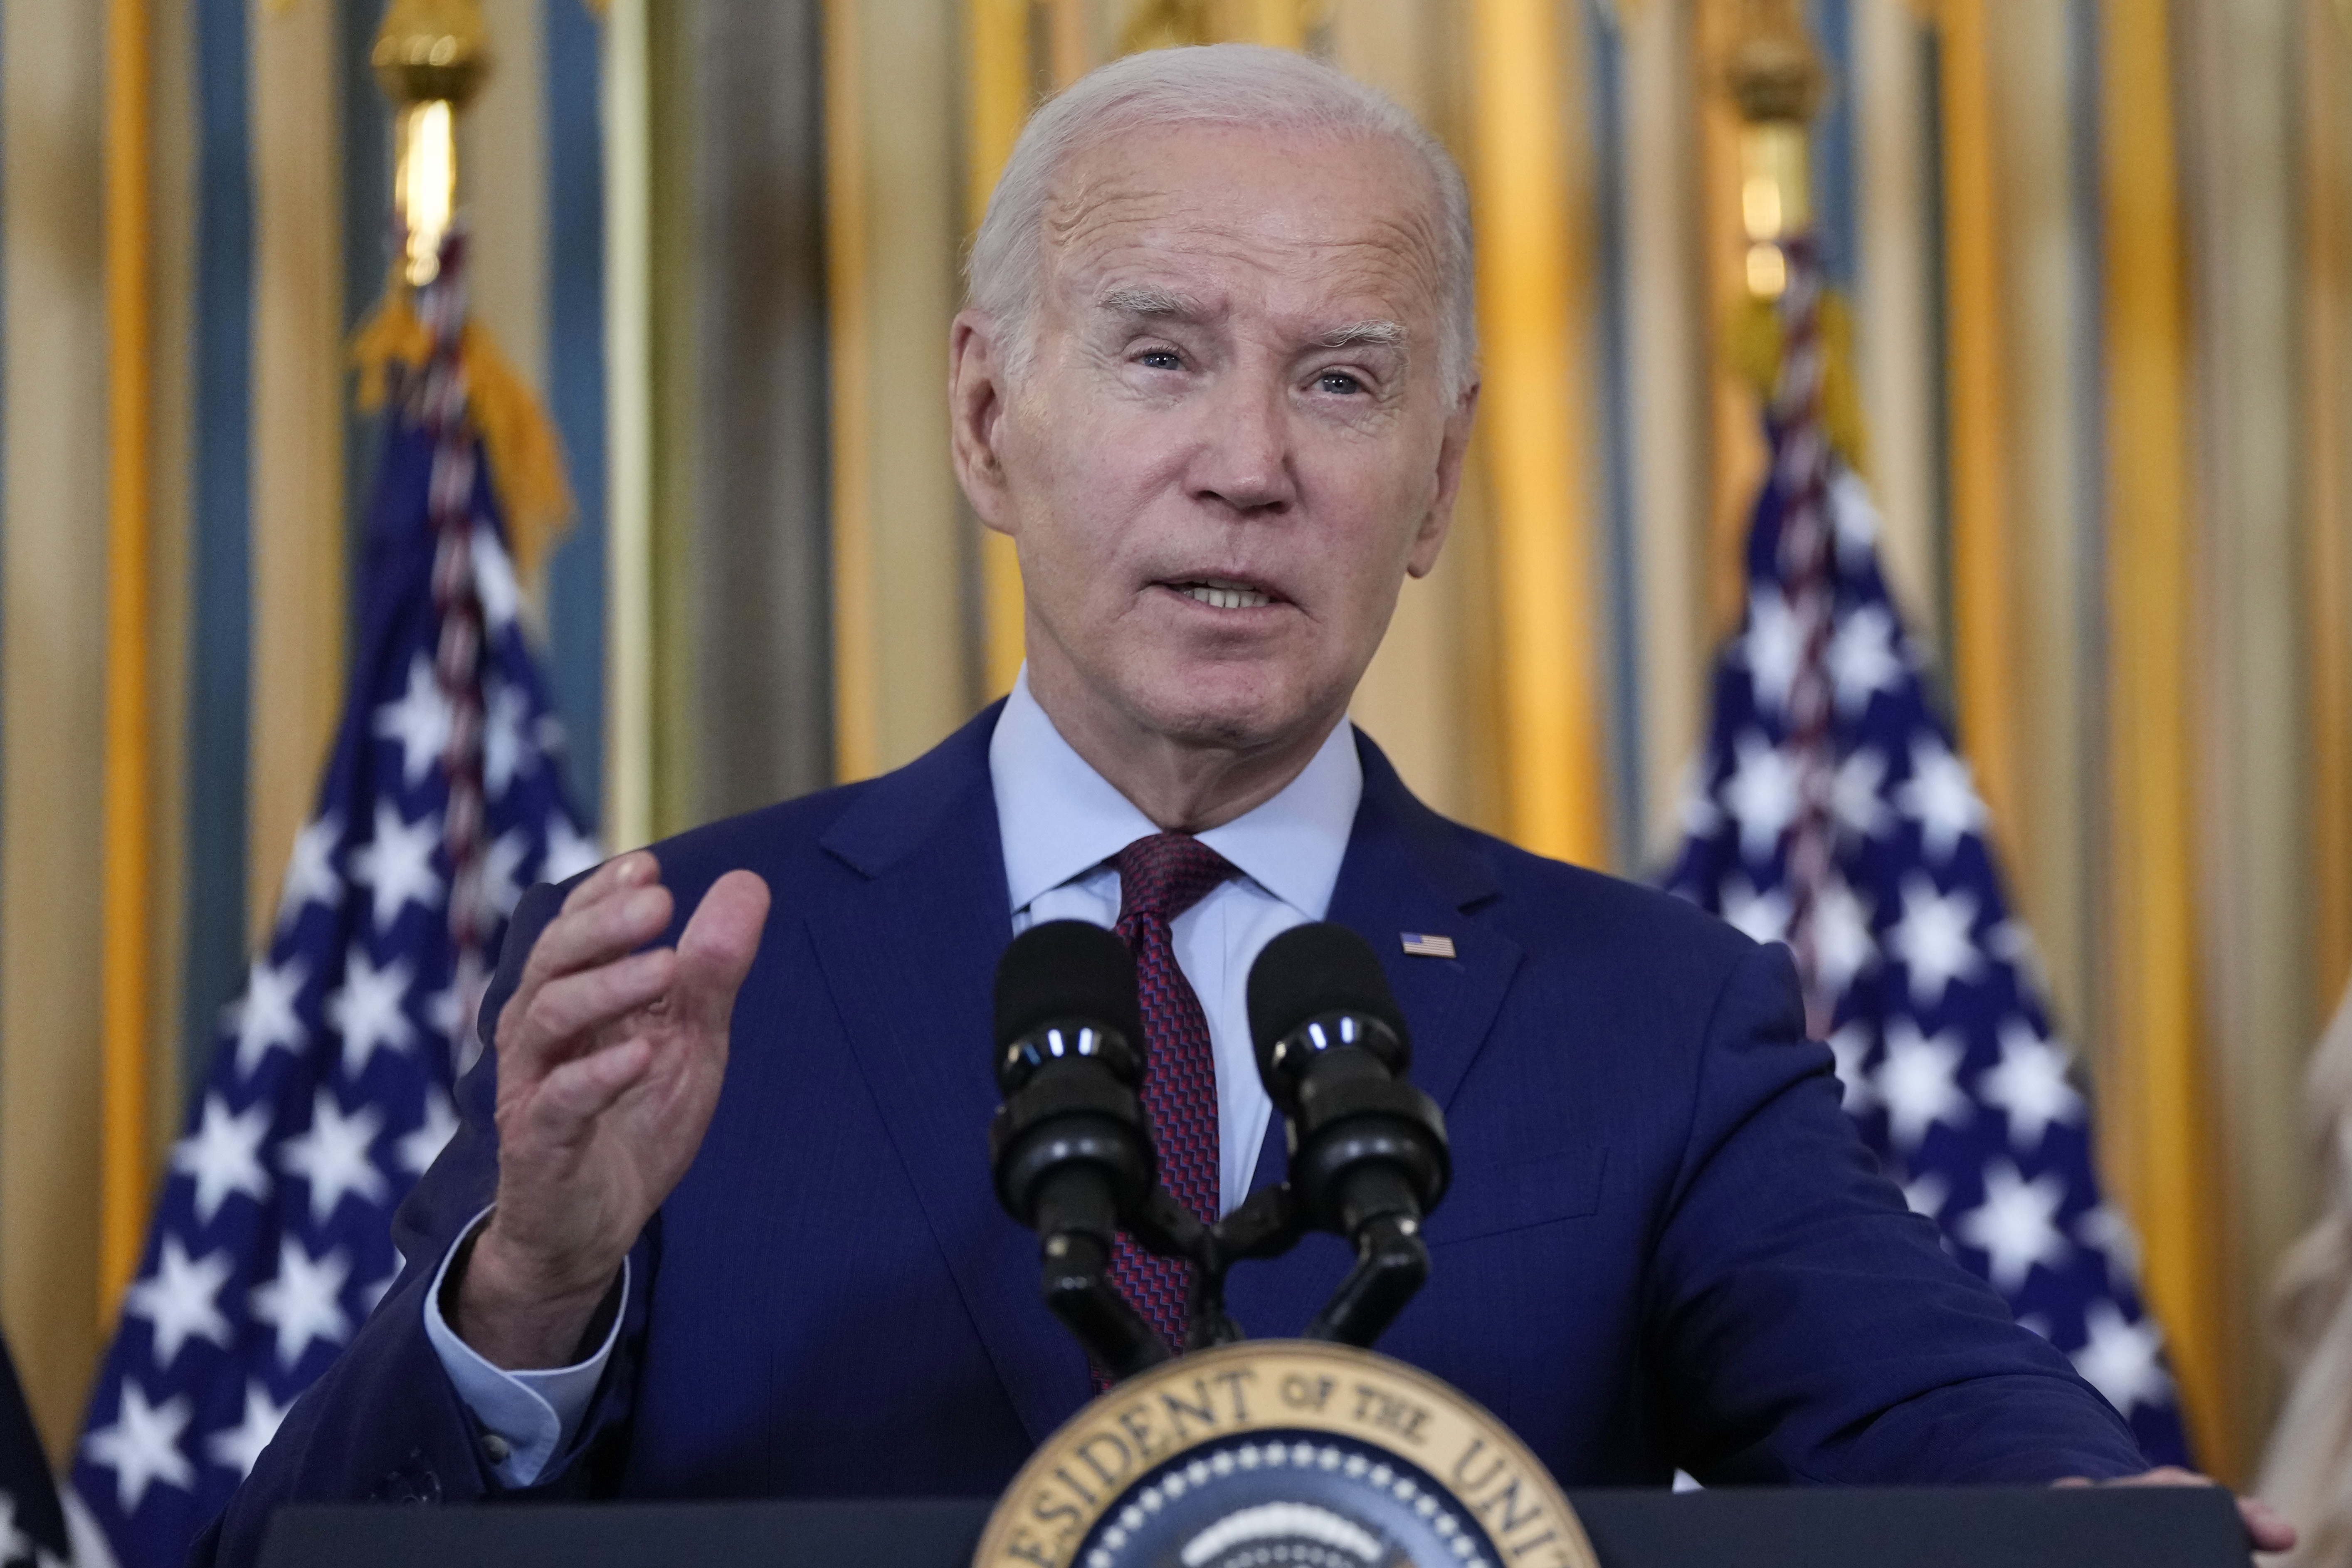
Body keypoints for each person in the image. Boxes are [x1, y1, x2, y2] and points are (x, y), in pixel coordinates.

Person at [199, 42, 2289, 1560]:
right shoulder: (684, 975)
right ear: (985, 416)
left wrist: (2126, 1523)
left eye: (1341, 379)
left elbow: (1937, 1413)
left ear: (1435, 486)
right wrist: (529, 1291)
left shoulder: (1653, 1018)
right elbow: (292, 1551)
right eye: (1161, 355)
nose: (1248, 464)